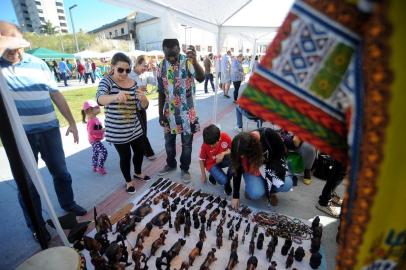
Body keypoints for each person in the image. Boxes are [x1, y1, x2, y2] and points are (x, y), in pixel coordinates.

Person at [0, 21, 87, 241]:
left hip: (49, 130)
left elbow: (56, 94)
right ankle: (37, 225)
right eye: (8, 47)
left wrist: (72, 122)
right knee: (27, 185)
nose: (14, 52)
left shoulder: (38, 64)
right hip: (20, 138)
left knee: (61, 173)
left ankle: (68, 204)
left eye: (17, 46)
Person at [96, 52, 150, 194]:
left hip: (134, 127)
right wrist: (114, 97)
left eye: (127, 70)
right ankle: (128, 181)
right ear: (113, 67)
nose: (124, 73)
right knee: (125, 157)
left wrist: (144, 99)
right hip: (117, 130)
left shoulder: (133, 83)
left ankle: (138, 172)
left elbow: (141, 106)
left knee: (139, 151)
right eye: (120, 69)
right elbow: (100, 99)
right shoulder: (106, 81)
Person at [157, 39, 204, 182]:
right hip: (169, 113)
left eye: (174, 55)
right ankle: (171, 165)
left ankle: (185, 169)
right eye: (168, 55)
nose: (171, 59)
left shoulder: (188, 62)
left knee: (187, 144)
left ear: (179, 50)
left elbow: (201, 78)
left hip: (187, 113)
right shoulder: (161, 66)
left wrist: (195, 62)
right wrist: (160, 114)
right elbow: (160, 92)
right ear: (163, 51)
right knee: (169, 143)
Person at [230, 128, 293, 209]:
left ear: (253, 147)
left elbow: (282, 154)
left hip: (270, 166)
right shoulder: (238, 145)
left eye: (244, 154)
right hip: (251, 170)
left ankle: (271, 192)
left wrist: (269, 172)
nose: (242, 157)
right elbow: (237, 170)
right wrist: (235, 195)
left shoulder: (269, 135)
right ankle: (251, 188)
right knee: (255, 193)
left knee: (287, 184)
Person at [129, 55, 156, 160]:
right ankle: (148, 152)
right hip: (132, 107)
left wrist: (154, 71)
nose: (145, 68)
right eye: (143, 66)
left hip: (142, 106)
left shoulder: (145, 75)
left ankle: (143, 150)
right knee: (141, 130)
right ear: (137, 63)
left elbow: (156, 82)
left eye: (147, 66)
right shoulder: (129, 75)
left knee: (143, 131)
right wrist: (137, 88)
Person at [199, 124, 233, 195]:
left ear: (219, 139)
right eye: (209, 144)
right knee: (223, 180)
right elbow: (201, 159)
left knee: (235, 162)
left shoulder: (224, 136)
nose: (210, 146)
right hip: (211, 164)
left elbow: (233, 149)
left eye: (212, 144)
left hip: (223, 159)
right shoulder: (205, 144)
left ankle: (227, 181)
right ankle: (216, 175)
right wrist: (203, 174)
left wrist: (223, 153)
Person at [81, 100, 108, 175]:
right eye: (96, 107)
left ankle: (94, 165)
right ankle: (100, 167)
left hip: (95, 139)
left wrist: (102, 133)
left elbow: (97, 128)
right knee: (104, 152)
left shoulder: (95, 118)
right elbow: (91, 132)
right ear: (89, 110)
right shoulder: (91, 121)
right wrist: (102, 131)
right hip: (94, 141)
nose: (99, 108)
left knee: (96, 152)